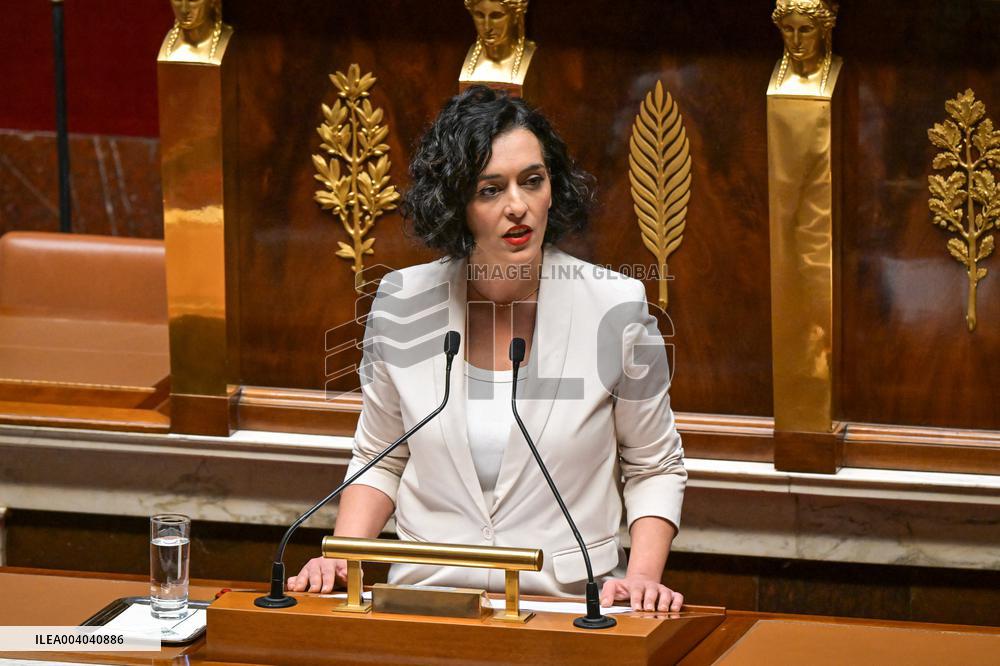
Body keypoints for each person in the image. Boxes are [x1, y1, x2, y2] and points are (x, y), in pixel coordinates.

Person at [288, 86, 687, 612]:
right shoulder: (403, 302)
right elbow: (381, 456)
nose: (518, 206)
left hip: (566, 606)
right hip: (428, 602)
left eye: (533, 181)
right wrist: (343, 556)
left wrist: (641, 578)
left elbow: (653, 465)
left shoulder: (615, 306)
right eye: (490, 189)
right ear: (457, 205)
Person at [459, 0, 537, 87]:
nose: (487, 27)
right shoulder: (470, 60)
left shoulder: (530, 54)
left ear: (516, 16)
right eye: (479, 15)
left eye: (496, 16)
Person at [770, 0, 840, 96]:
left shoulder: (839, 71)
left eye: (805, 30)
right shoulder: (775, 78)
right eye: (788, 29)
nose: (796, 41)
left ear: (824, 30)